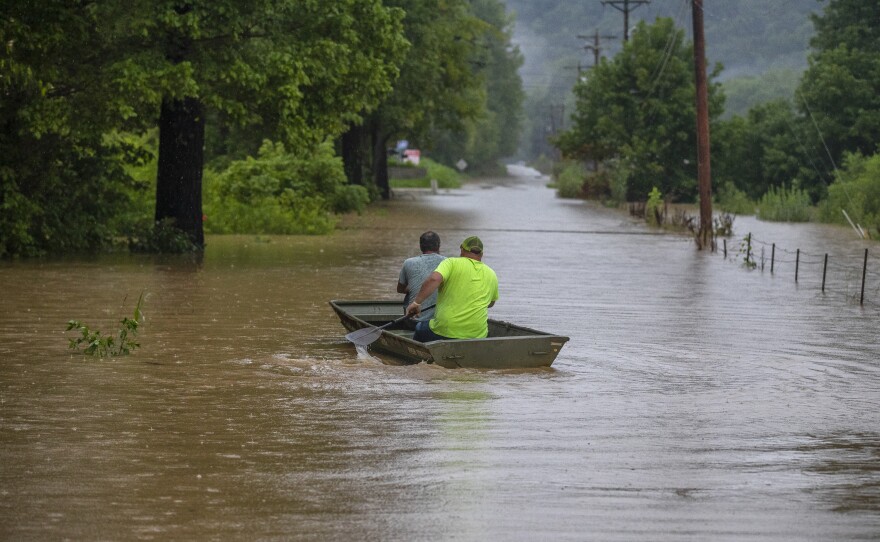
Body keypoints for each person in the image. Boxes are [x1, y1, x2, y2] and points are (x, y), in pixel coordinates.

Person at [405, 235, 498, 342]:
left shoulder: (451, 262)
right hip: (478, 334)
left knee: (419, 327)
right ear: (481, 254)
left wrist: (416, 303)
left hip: (446, 330)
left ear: (462, 249)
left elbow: (434, 279)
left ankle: (417, 355)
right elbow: (490, 304)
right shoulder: (492, 274)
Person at [397, 231, 445, 329]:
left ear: (421, 246)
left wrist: (414, 287)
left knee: (408, 295)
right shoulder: (448, 262)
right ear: (438, 246)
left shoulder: (409, 263)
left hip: (413, 321)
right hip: (440, 322)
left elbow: (400, 289)